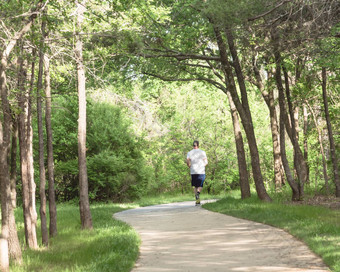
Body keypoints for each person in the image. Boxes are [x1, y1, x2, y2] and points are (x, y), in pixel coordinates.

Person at [186, 140, 208, 205]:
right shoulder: (202, 152)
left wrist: (189, 166)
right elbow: (206, 162)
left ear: (193, 145)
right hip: (201, 171)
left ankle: (197, 200)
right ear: (198, 145)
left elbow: (187, 161)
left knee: (195, 186)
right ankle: (198, 194)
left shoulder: (189, 153)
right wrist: (203, 165)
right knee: (200, 185)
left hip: (193, 171)